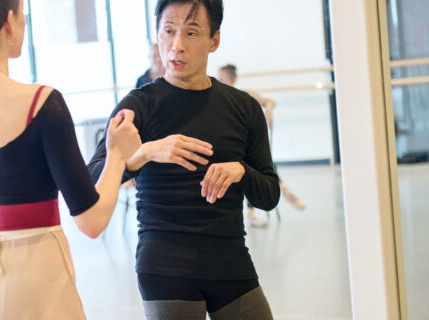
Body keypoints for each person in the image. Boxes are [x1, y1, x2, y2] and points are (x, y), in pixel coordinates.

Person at [0, 0, 141, 319]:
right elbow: (91, 220)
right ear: (9, 22)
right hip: (37, 278)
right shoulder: (42, 104)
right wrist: (117, 155)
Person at [88, 0, 279, 319]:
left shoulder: (244, 108)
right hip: (164, 265)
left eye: (191, 33)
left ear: (214, 40)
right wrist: (145, 153)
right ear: (158, 36)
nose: (176, 46)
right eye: (168, 31)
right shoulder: (139, 106)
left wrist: (241, 171)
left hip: (229, 259)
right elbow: (91, 179)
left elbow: (269, 196)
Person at [217, 64, 306, 228]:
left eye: (223, 79)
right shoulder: (215, 98)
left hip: (248, 148)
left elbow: (270, 101)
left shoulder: (245, 96)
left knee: (257, 168)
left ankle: (279, 193)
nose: (220, 82)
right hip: (233, 150)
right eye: (218, 79)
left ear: (233, 79)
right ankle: (284, 190)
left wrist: (268, 111)